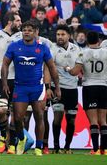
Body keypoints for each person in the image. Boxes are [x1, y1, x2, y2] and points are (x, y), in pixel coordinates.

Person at [1, 21, 60, 156]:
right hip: (20, 87)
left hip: (37, 88)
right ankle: (22, 139)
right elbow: (5, 64)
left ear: (35, 32)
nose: (27, 32)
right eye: (24, 30)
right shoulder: (14, 46)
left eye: (30, 30)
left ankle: (39, 147)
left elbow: (51, 67)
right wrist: (4, 83)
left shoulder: (43, 47)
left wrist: (57, 87)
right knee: (17, 118)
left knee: (40, 116)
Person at [65, 31, 107, 155]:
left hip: (90, 87)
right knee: (103, 120)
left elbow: (74, 72)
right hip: (104, 87)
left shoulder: (83, 53)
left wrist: (67, 68)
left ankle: (95, 150)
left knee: (93, 121)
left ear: (87, 41)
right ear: (98, 41)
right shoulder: (106, 52)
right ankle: (104, 149)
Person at [0, 12, 22, 154]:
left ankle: (12, 142)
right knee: (1, 111)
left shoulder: (22, 37)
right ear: (9, 21)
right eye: (18, 20)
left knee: (16, 114)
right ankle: (3, 136)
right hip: (0, 78)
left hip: (19, 79)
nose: (20, 23)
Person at [50, 25, 81, 154]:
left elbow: (79, 68)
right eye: (58, 35)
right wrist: (48, 87)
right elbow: (48, 67)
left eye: (62, 34)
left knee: (71, 119)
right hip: (57, 87)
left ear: (68, 36)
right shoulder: (52, 49)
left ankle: (67, 147)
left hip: (72, 89)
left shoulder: (76, 49)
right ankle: (56, 147)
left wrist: (72, 70)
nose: (60, 37)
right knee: (57, 117)